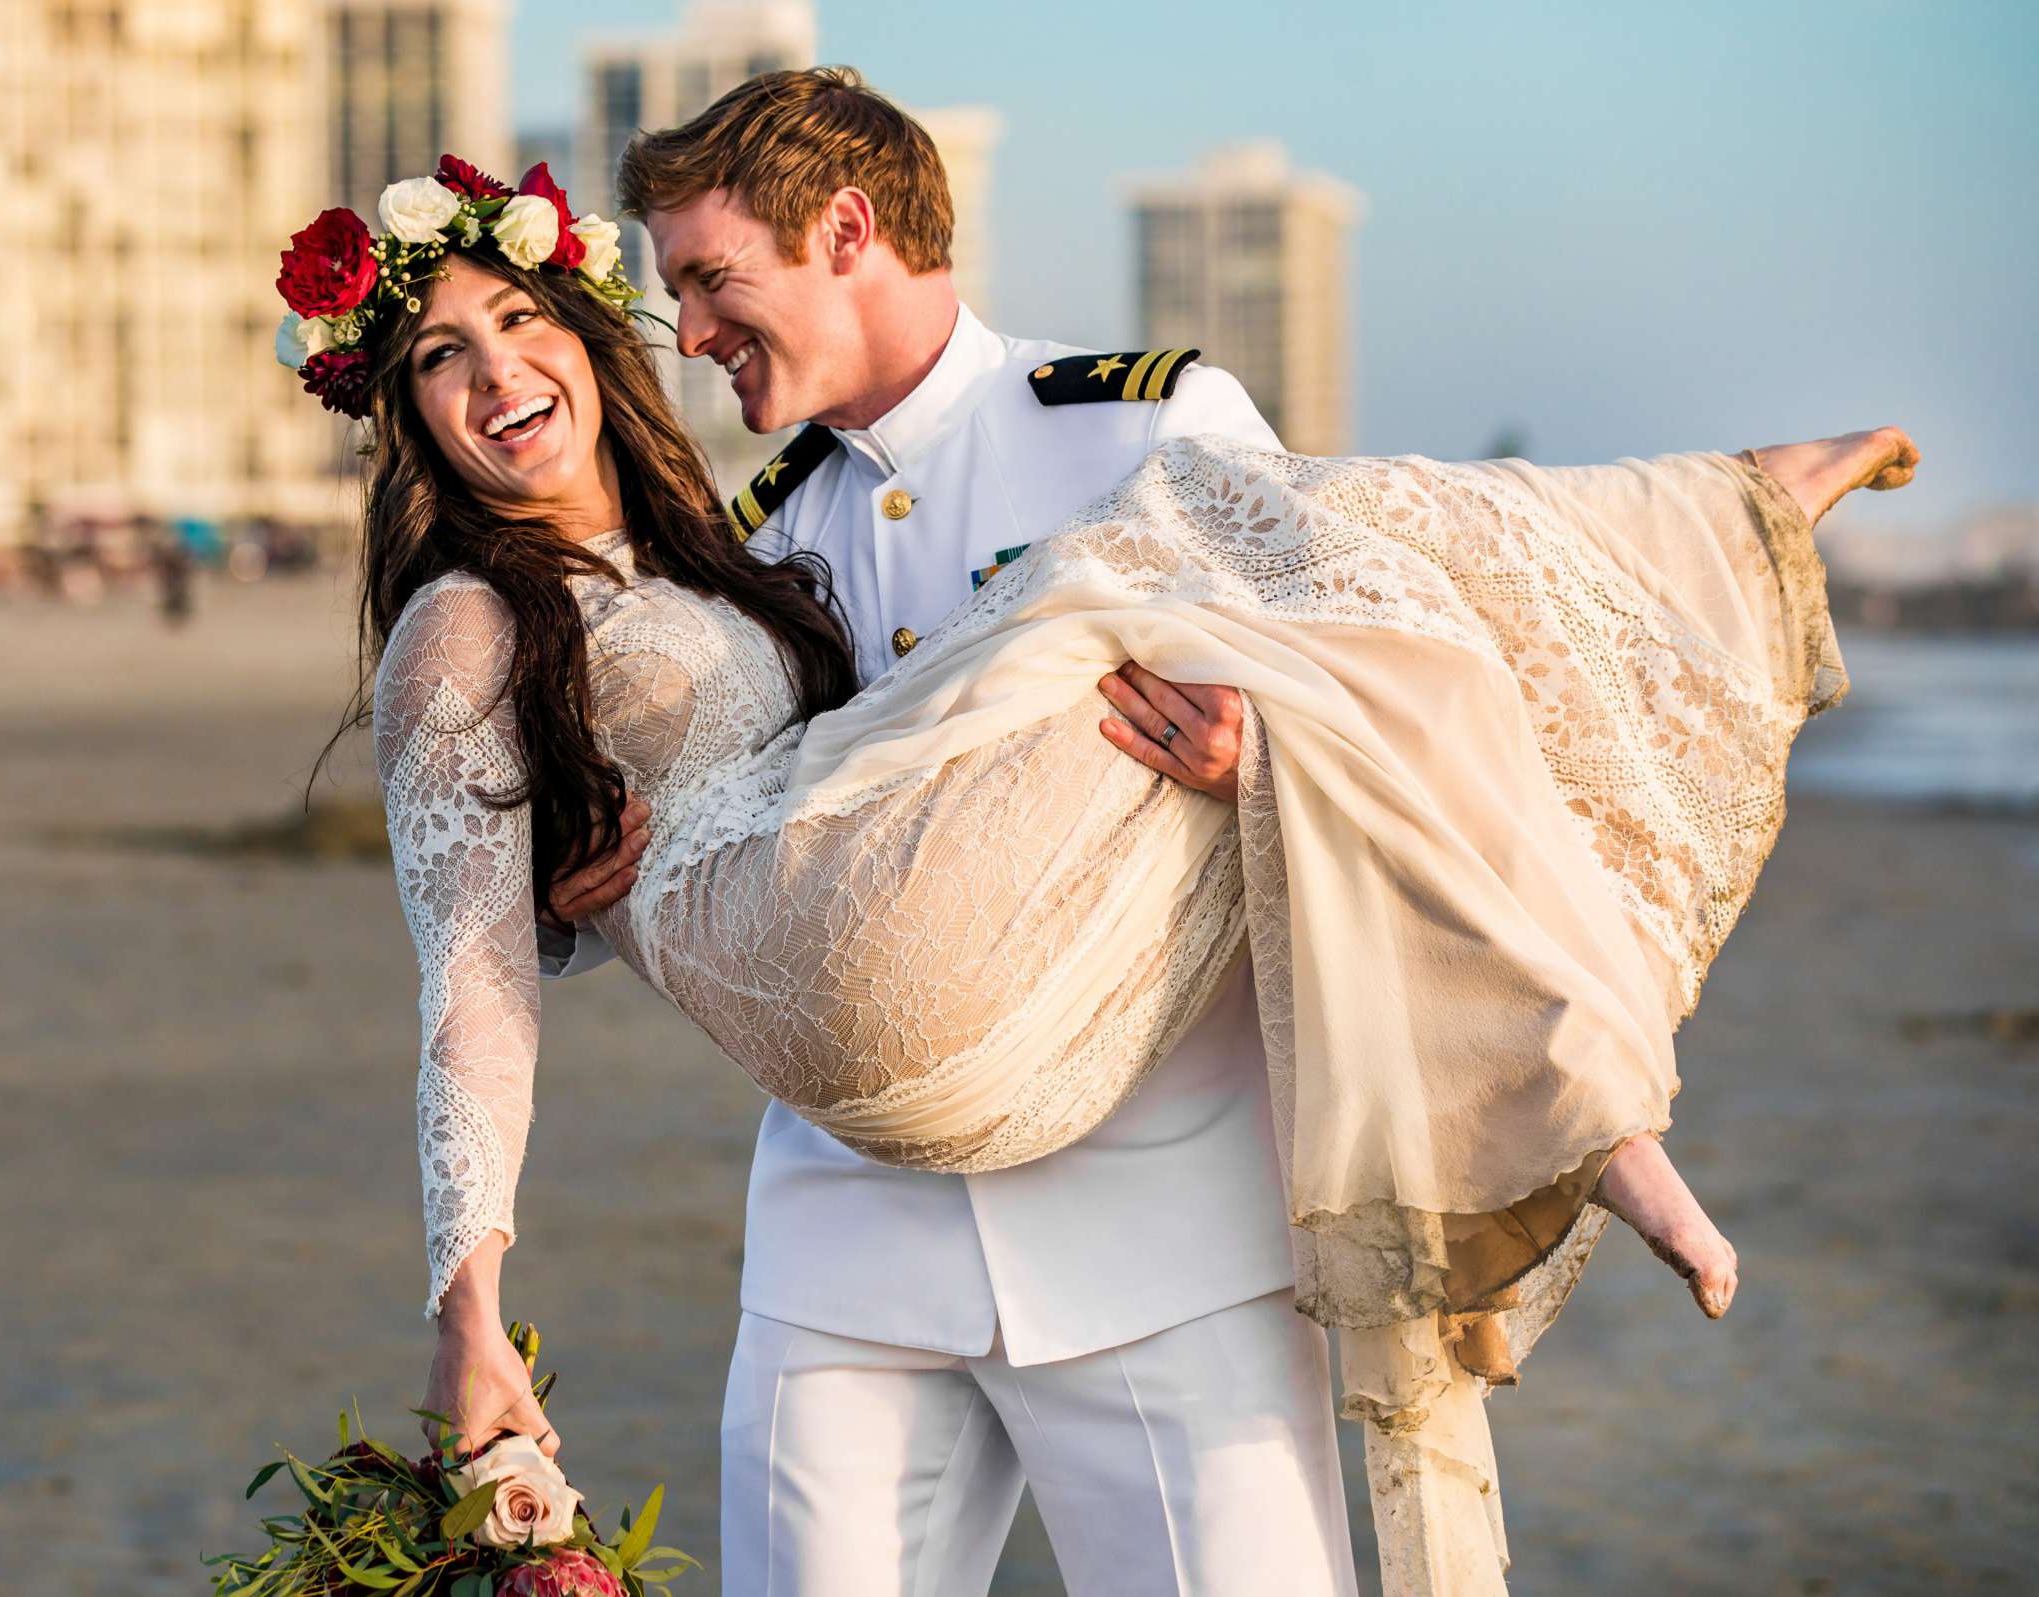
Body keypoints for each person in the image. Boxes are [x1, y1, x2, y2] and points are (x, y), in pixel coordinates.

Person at [281, 140, 1915, 1597]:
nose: (691, 329)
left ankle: (1697, 585)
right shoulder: (766, 528)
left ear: (845, 228)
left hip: (1158, 1231)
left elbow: (1354, 660)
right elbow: (639, 813)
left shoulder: (1146, 417)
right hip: (854, 1225)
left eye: (712, 280)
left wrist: (1252, 759)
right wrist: (578, 903)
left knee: (1255, 561)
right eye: (674, 296)